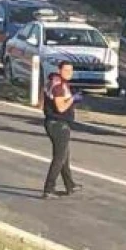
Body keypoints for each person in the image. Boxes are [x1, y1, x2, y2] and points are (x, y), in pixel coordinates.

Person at [41, 61, 82, 198]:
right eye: (66, 70)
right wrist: (72, 99)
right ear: (59, 70)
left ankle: (70, 185)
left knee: (65, 156)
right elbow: (61, 108)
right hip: (58, 125)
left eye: (71, 70)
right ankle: (49, 188)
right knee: (59, 158)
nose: (69, 73)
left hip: (55, 123)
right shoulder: (58, 85)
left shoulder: (55, 82)